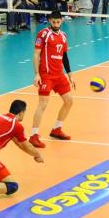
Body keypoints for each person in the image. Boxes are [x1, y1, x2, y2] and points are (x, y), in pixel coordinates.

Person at [29, 11, 75, 148]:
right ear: (49, 21)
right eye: (53, 22)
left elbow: (64, 56)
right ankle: (33, 136)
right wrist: (37, 74)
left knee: (69, 101)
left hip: (59, 75)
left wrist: (70, 74)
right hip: (46, 75)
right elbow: (36, 54)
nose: (55, 24)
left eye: (58, 22)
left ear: (62, 21)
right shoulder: (43, 34)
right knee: (43, 103)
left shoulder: (63, 36)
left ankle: (56, 129)